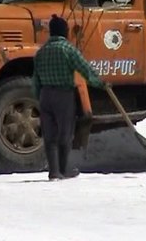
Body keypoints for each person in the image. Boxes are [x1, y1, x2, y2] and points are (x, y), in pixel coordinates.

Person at [33, 14, 105, 180]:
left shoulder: (41, 52)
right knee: (65, 135)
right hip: (63, 96)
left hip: (45, 95)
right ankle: (64, 170)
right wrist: (100, 83)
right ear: (64, 32)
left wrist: (39, 97)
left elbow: (35, 79)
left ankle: (53, 171)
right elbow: (84, 69)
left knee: (49, 136)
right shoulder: (68, 49)